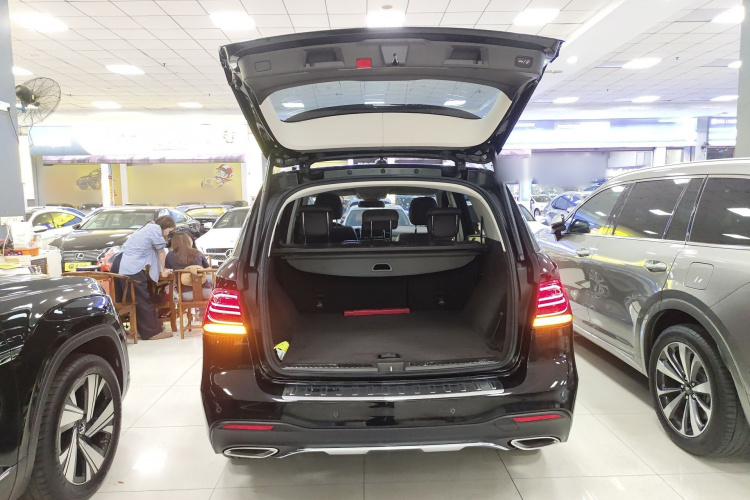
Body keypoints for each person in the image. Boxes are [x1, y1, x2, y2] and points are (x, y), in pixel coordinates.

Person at [113, 215, 176, 340]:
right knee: (141, 299)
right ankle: (152, 333)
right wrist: (164, 270)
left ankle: (144, 328)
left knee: (133, 300)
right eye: (169, 231)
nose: (168, 234)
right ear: (165, 226)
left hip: (121, 264)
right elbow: (161, 251)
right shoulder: (155, 229)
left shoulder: (147, 228)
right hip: (130, 267)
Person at [165, 231, 212, 301]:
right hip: (206, 292)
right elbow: (209, 271)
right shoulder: (198, 252)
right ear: (188, 241)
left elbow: (165, 274)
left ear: (173, 242)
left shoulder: (170, 255)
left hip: (184, 294)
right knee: (209, 277)